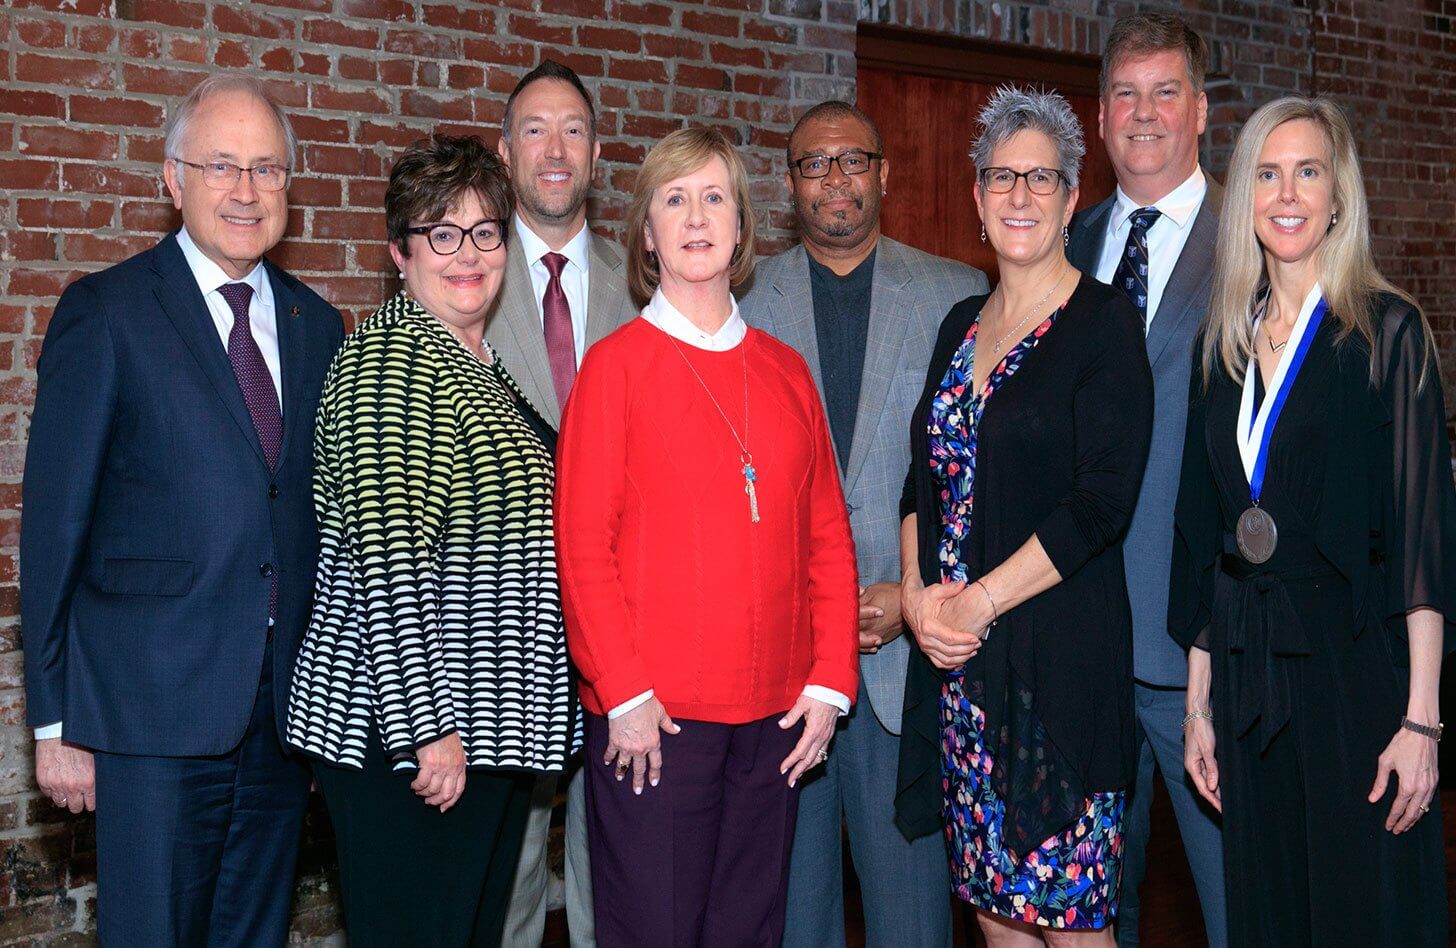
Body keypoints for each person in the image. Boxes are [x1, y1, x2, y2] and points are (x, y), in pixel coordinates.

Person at [20, 75, 344, 944]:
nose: (246, 191)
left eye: (268, 170)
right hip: (146, 724)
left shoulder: (321, 328)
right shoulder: (108, 313)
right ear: (173, 179)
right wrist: (55, 722)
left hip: (281, 726)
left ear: (289, 188)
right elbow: (55, 532)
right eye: (222, 166)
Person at [555, 126, 860, 947]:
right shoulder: (613, 371)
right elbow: (582, 550)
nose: (697, 217)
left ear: (742, 226)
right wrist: (623, 694)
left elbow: (827, 539)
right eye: (674, 199)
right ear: (647, 235)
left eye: (714, 196)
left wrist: (830, 684)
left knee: (749, 932)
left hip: (778, 722)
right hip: (656, 723)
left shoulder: (788, 371)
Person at [1171, 95, 1452, 947]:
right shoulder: (1221, 345)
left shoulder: (1389, 334)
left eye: (1307, 172)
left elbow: (1422, 542)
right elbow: (1205, 535)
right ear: (1244, 195)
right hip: (1253, 678)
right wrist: (1197, 706)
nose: (1286, 194)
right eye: (1266, 172)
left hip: (1357, 677)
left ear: (1339, 196)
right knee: (1271, 915)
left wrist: (1422, 721)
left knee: (1360, 912)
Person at [286, 135, 580, 947]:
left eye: (485, 231)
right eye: (440, 234)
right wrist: (430, 731)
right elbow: (390, 561)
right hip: (411, 742)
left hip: (481, 733)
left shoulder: (475, 359)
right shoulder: (392, 358)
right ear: (399, 250)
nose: (467, 253)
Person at [896, 87, 1153, 946]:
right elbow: (919, 487)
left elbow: (1100, 506)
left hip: (1059, 679)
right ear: (975, 197)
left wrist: (976, 603)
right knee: (997, 921)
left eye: (1041, 177)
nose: (1019, 196)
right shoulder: (959, 324)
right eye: (1001, 177)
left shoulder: (1106, 325)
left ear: (1073, 197)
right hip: (964, 683)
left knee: (1072, 926)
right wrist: (914, 597)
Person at [740, 99, 987, 948]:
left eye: (853, 160)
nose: (834, 178)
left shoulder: (960, 295)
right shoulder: (739, 303)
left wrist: (912, 590)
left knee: (913, 922)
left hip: (906, 667)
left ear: (884, 173)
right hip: (779, 675)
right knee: (792, 921)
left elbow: (975, 484)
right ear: (788, 184)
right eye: (814, 163)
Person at [1063, 15, 1228, 946]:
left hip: (1198, 650)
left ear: (1201, 110)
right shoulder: (1067, 241)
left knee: (1234, 902)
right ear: (1099, 113)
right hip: (1080, 642)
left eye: (1167, 91)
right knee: (1091, 911)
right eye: (1126, 92)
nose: (1144, 113)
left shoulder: (1255, 239)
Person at [490, 60, 637, 948]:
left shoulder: (647, 287)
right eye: (535, 130)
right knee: (502, 875)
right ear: (506, 153)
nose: (555, 148)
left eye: (573, 130)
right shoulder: (457, 274)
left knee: (610, 863)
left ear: (595, 152)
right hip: (498, 625)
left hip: (622, 617)